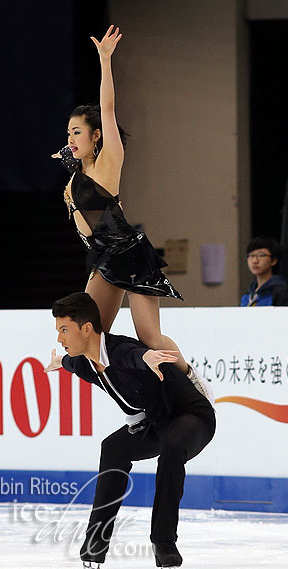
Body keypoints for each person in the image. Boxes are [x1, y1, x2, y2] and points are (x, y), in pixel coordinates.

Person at [51, 25, 190, 377]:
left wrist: (105, 61)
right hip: (103, 259)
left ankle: (190, 380)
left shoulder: (109, 162)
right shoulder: (76, 174)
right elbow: (78, 185)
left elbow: (107, 107)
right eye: (68, 132)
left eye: (78, 131)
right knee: (90, 340)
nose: (71, 137)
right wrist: (68, 159)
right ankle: (137, 404)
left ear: (96, 136)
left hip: (128, 254)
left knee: (151, 338)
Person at [45, 292, 216, 569]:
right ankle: (95, 543)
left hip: (192, 416)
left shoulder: (120, 351)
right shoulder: (84, 363)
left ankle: (164, 543)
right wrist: (59, 362)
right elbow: (70, 363)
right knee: (113, 448)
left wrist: (146, 355)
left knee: (173, 446)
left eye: (64, 330)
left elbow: (132, 355)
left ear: (87, 328)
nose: (60, 338)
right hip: (156, 422)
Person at [240, 236, 288, 306]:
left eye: (261, 255)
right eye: (251, 256)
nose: (255, 261)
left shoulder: (280, 292)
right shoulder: (248, 295)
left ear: (273, 261)